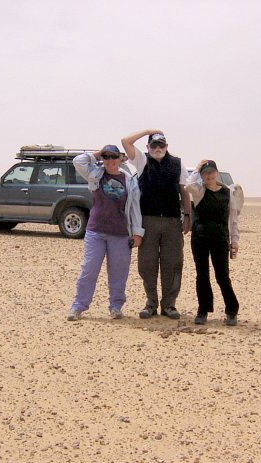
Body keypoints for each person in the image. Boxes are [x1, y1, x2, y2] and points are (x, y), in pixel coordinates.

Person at [67, 145, 144, 321]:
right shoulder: (96, 174)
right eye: (106, 157)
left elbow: (135, 209)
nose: (110, 161)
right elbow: (77, 161)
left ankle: (116, 306)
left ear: (120, 159)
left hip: (120, 233)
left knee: (119, 272)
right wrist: (97, 153)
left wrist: (137, 233)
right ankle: (78, 306)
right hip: (96, 232)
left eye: (113, 157)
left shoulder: (129, 180)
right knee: (89, 270)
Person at [121, 129, 191, 320]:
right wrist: (149, 131)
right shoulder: (142, 161)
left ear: (166, 147)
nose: (158, 148)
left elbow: (183, 191)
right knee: (148, 263)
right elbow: (125, 141)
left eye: (161, 145)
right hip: (148, 221)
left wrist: (187, 215)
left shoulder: (177, 163)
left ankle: (169, 305)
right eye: (154, 145)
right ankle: (151, 303)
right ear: (148, 147)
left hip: (171, 221)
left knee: (173, 263)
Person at [186, 159, 240, 326]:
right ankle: (203, 310)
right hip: (200, 239)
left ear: (216, 173)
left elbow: (234, 218)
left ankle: (231, 311)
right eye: (205, 173)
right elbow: (188, 185)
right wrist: (196, 169)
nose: (208, 175)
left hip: (220, 239)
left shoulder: (227, 193)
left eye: (211, 172)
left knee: (222, 276)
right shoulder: (199, 191)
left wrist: (235, 240)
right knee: (202, 276)